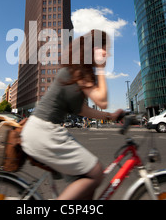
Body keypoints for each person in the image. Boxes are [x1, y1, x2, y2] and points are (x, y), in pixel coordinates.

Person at [21, 30, 124, 200]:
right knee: (96, 173)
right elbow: (102, 100)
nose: (109, 53)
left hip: (42, 131)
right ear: (95, 48)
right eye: (106, 49)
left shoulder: (77, 71)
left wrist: (110, 116)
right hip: (44, 131)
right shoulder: (78, 71)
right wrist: (101, 68)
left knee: (85, 181)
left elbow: (83, 110)